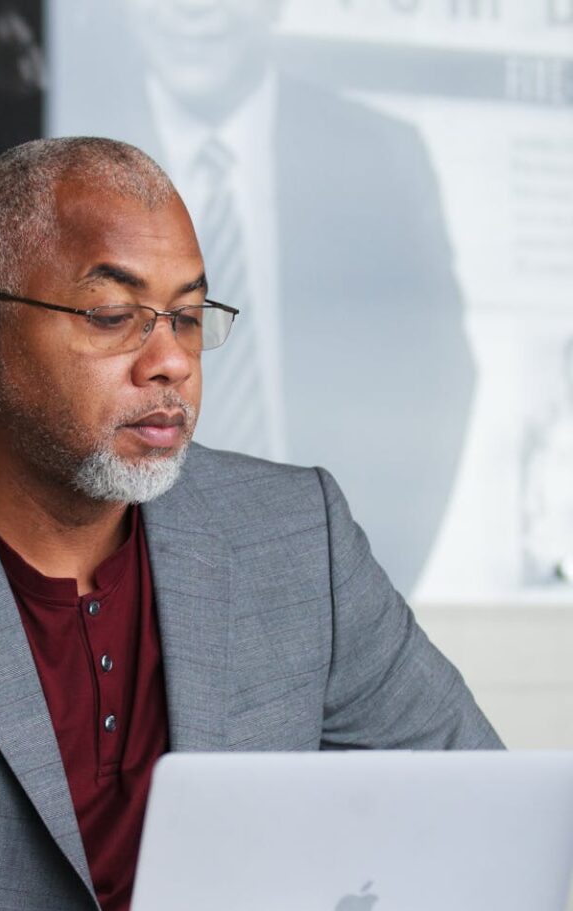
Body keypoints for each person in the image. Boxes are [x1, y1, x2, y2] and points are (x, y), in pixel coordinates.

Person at [0, 137, 500, 911]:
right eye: (111, 315)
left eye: (188, 316)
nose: (170, 361)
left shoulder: (295, 534)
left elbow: (479, 814)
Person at [48, 0, 476, 594]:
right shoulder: (52, 163)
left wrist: (367, 583)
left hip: (315, 579)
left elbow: (439, 382)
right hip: (113, 586)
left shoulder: (378, 155)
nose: (194, 11)